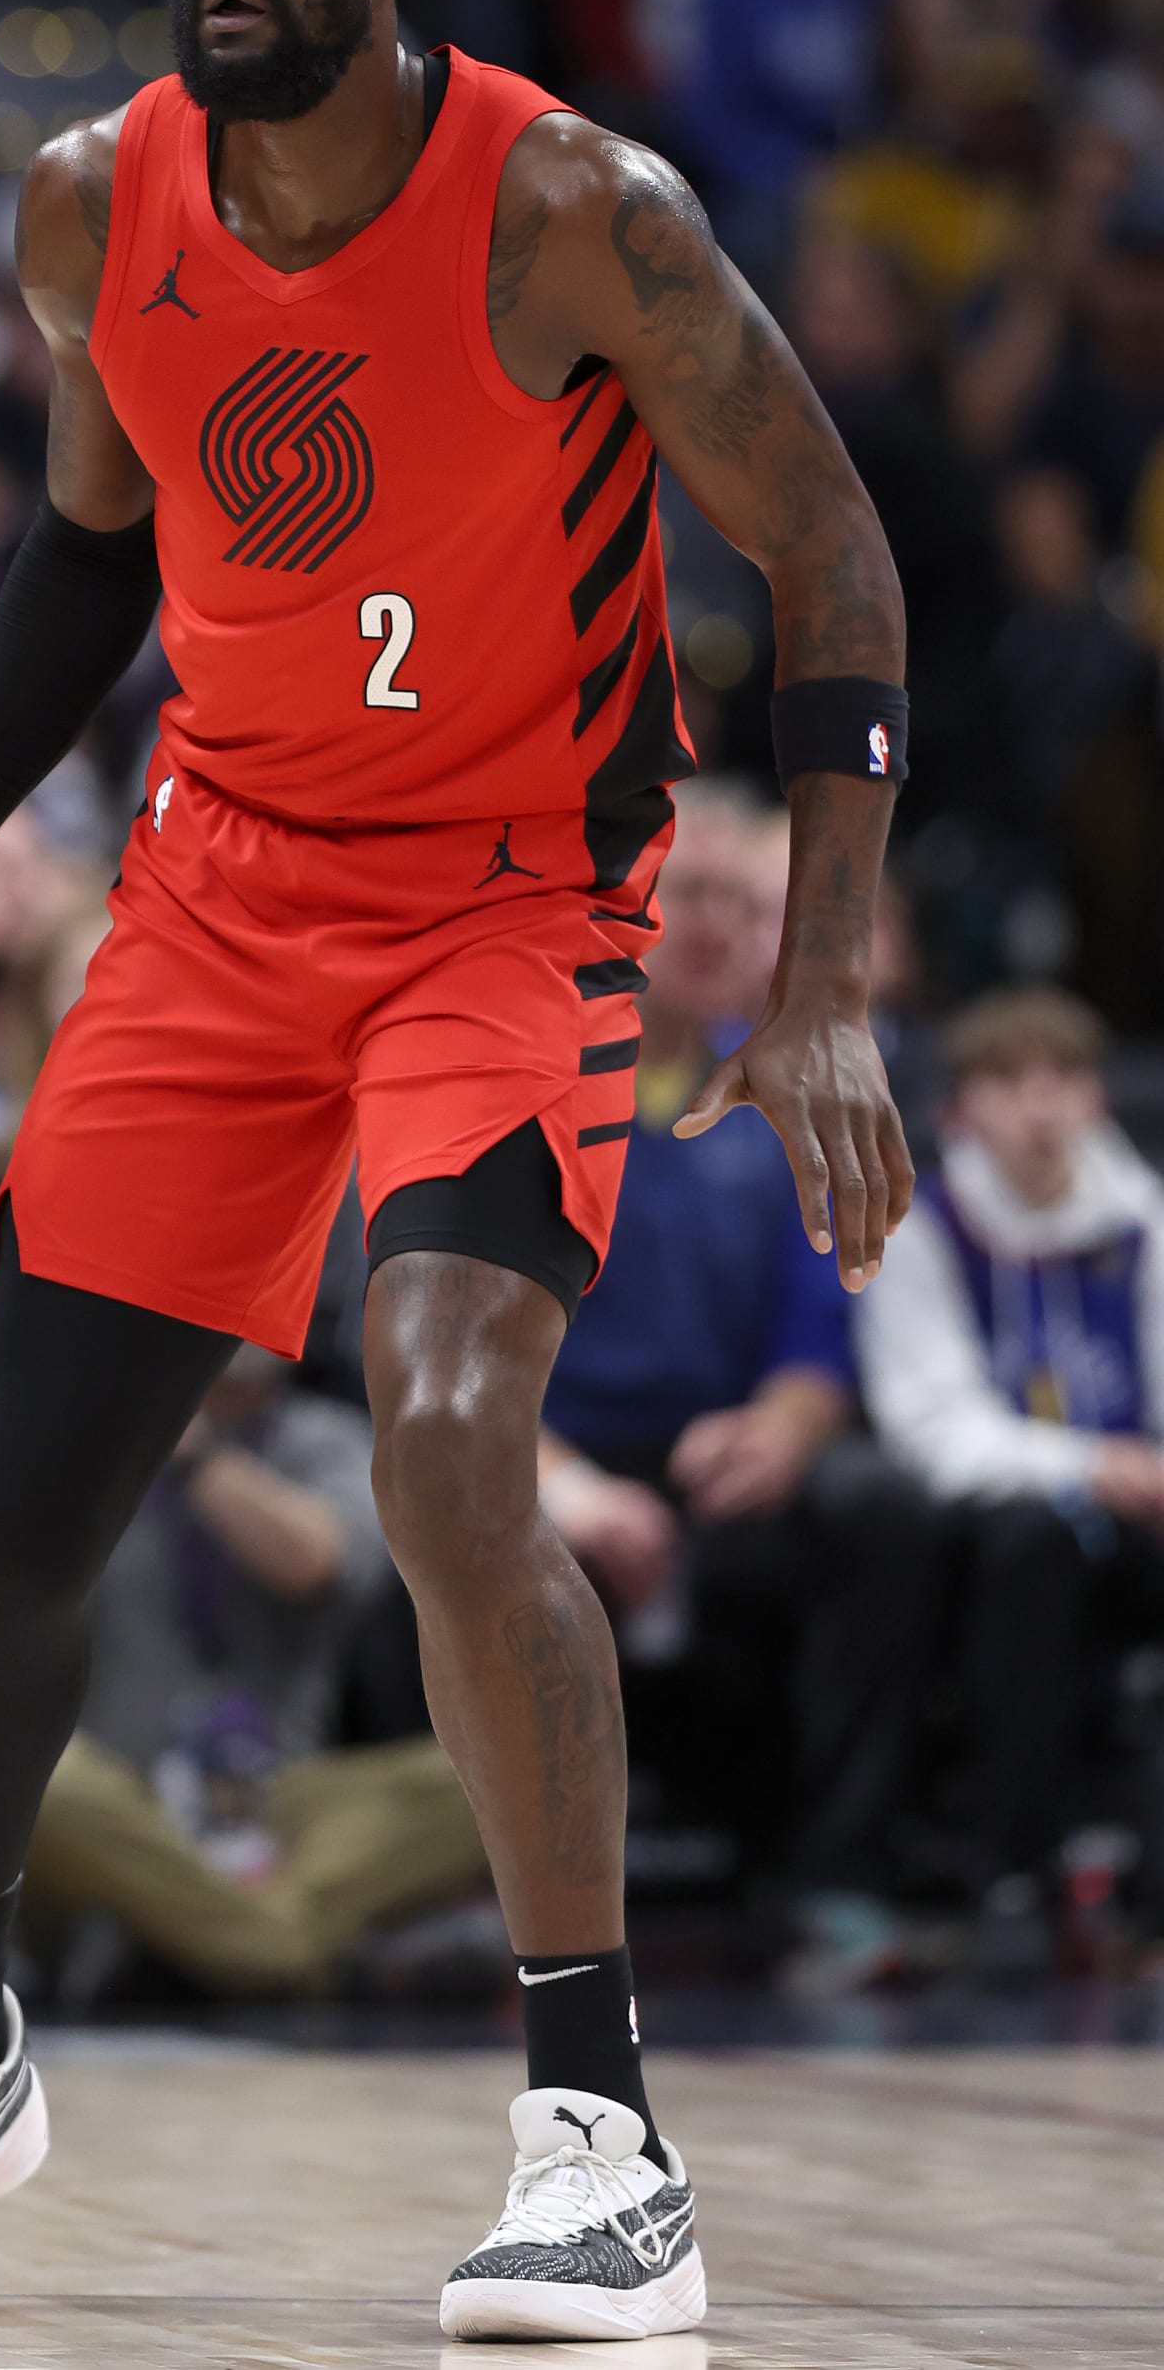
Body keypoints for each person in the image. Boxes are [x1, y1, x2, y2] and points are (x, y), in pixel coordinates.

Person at [0, 0, 912, 2342]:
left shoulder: (584, 214)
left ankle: (598, 2130)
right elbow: (84, 553)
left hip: (510, 904)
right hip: (215, 902)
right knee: (11, 1525)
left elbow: (828, 554)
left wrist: (820, 978)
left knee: (454, 1437)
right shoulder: (92, 200)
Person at [537, 789, 936, 1986]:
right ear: (616, 905)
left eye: (730, 900)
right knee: (442, 1515)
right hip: (550, 1458)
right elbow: (440, 1334)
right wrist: (559, 1482)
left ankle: (841, 1885)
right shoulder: (531, 1074)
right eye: (680, 893)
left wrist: (786, 1423)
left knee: (881, 1509)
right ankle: (473, 1895)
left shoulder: (785, 1092)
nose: (706, 925)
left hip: (724, 1460)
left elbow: (829, 1315)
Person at [854, 987, 1164, 1966]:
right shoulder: (926, 1224)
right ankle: (1013, 1876)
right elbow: (932, 1426)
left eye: (1064, 1079)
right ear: (959, 1110)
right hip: (996, 1525)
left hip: (1139, 1511)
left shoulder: (1145, 1221)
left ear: (1098, 1102)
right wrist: (1089, 1464)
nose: (1041, 1106)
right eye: (1009, 1081)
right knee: (1027, 1554)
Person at [25, 1342, 486, 1998]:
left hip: (285, 1801)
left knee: (506, 1775)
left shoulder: (331, 1439)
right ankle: (304, 1952)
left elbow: (312, 1561)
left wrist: (194, 1449)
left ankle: (194, 1939)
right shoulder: (84, 1440)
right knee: (40, 1782)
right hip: (126, 1801)